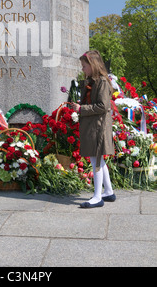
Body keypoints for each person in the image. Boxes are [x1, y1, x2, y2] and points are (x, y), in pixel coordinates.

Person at [71, 50, 116, 208]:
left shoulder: (102, 82)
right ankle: (108, 191)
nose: (82, 69)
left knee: (95, 158)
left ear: (93, 65)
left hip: (98, 126)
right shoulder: (94, 81)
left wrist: (81, 109)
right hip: (93, 125)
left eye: (84, 66)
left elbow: (103, 106)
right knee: (98, 159)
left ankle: (98, 196)